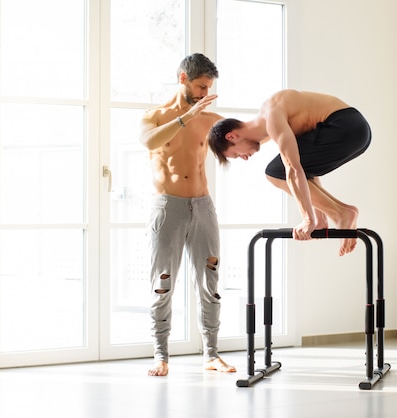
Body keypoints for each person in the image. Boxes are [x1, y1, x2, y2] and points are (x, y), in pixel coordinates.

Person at [139, 53, 236, 377]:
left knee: (210, 281)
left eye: (208, 87)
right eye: (200, 86)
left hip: (203, 206)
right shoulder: (155, 116)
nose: (204, 93)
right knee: (162, 284)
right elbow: (147, 141)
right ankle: (160, 356)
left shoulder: (210, 120)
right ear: (183, 79)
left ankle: (211, 353)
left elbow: (245, 137)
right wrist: (186, 116)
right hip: (168, 207)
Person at [208, 89, 371, 256]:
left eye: (236, 154)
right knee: (287, 166)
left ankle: (341, 213)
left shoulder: (272, 116)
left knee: (275, 172)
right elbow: (306, 166)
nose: (244, 158)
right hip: (356, 130)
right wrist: (318, 218)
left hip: (345, 127)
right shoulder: (270, 122)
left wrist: (308, 220)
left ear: (231, 137)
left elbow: (293, 170)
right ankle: (339, 213)